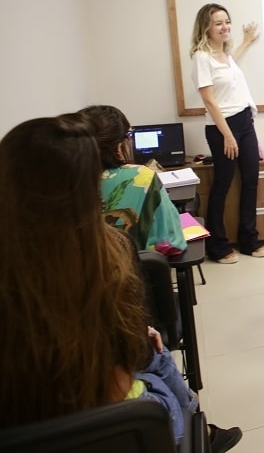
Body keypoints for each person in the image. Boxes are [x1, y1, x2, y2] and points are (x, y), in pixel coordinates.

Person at [0, 115, 241, 451]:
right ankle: (200, 428)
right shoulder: (104, 255)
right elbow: (172, 243)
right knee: (155, 356)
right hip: (118, 428)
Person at [190, 2, 264, 264]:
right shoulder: (201, 57)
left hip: (245, 122)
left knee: (251, 181)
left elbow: (233, 60)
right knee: (222, 185)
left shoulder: (225, 55)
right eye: (218, 23)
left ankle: (249, 240)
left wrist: (246, 40)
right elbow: (210, 101)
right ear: (206, 28)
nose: (225, 27)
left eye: (227, 21)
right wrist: (228, 136)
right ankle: (218, 246)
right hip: (223, 128)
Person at [78, 105, 187, 256]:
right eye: (129, 135)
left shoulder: (65, 182)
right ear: (118, 144)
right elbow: (172, 242)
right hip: (133, 272)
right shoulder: (141, 176)